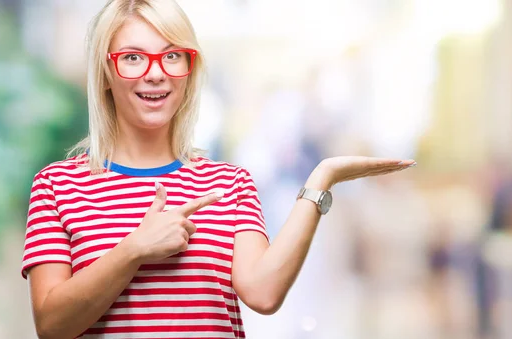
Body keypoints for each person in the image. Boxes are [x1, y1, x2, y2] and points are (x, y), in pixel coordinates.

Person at [20, 0, 416, 338]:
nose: (156, 72)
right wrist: (134, 249)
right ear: (106, 73)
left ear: (189, 70)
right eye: (133, 57)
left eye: (172, 55)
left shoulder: (229, 183)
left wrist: (321, 179)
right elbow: (52, 325)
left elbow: (263, 293)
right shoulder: (58, 186)